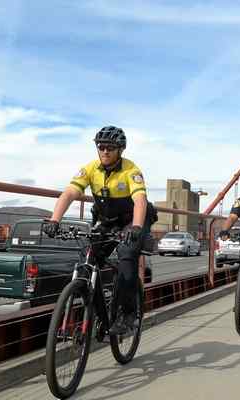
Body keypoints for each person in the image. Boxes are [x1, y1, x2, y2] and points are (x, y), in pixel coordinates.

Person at [42, 126, 155, 335]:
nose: (104, 151)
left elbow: (140, 200)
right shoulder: (90, 168)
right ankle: (94, 311)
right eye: (101, 146)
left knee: (127, 254)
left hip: (133, 220)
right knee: (87, 259)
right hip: (108, 220)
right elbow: (69, 193)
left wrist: (137, 227)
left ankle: (127, 313)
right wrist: (54, 220)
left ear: (120, 149)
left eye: (110, 148)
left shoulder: (131, 170)